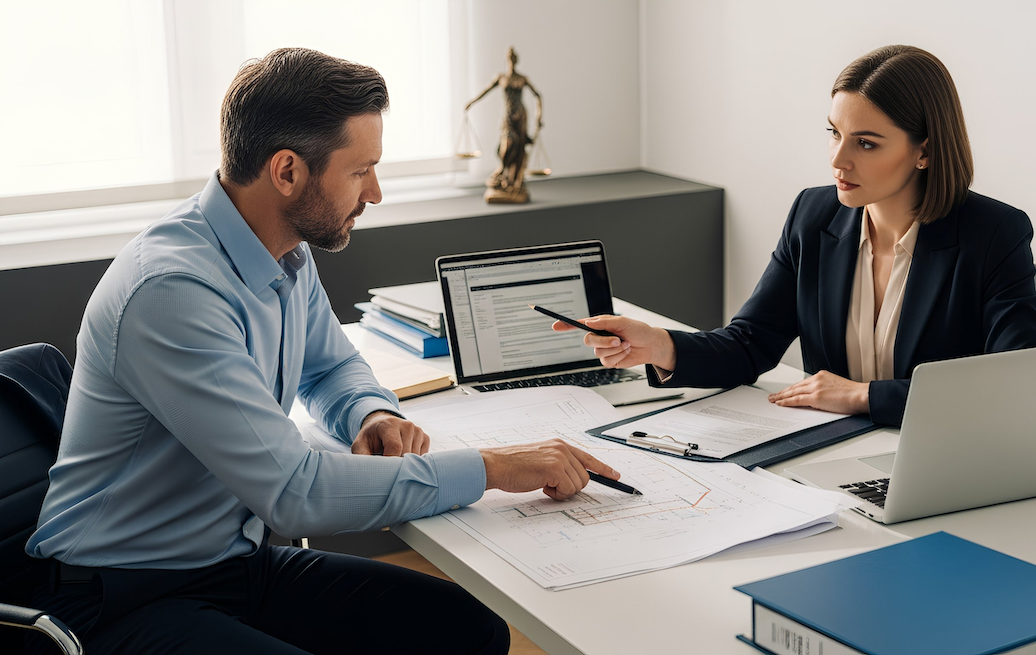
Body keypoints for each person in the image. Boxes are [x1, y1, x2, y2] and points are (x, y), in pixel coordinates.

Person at [25, 47, 619, 655]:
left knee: (469, 629)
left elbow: (331, 365)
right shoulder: (172, 292)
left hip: (234, 564)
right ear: (287, 172)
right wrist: (494, 467)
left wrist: (370, 413)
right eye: (361, 171)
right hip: (118, 596)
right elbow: (296, 492)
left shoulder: (284, 249)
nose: (376, 193)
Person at [554, 45, 1036, 427]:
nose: (838, 160)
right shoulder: (814, 216)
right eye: (835, 133)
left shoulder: (993, 234)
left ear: (924, 150)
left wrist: (863, 396)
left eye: (866, 143)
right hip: (831, 449)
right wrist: (658, 345)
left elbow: (1017, 385)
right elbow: (751, 343)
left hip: (939, 456)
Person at [465, 46, 543, 204]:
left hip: (520, 116)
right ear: (507, 61)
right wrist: (472, 102)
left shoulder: (522, 78)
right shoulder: (501, 77)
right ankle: (501, 171)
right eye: (509, 60)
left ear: (516, 61)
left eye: (513, 60)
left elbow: (537, 96)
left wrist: (538, 118)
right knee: (507, 145)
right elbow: (486, 90)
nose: (511, 63)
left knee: (519, 148)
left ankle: (513, 180)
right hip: (507, 117)